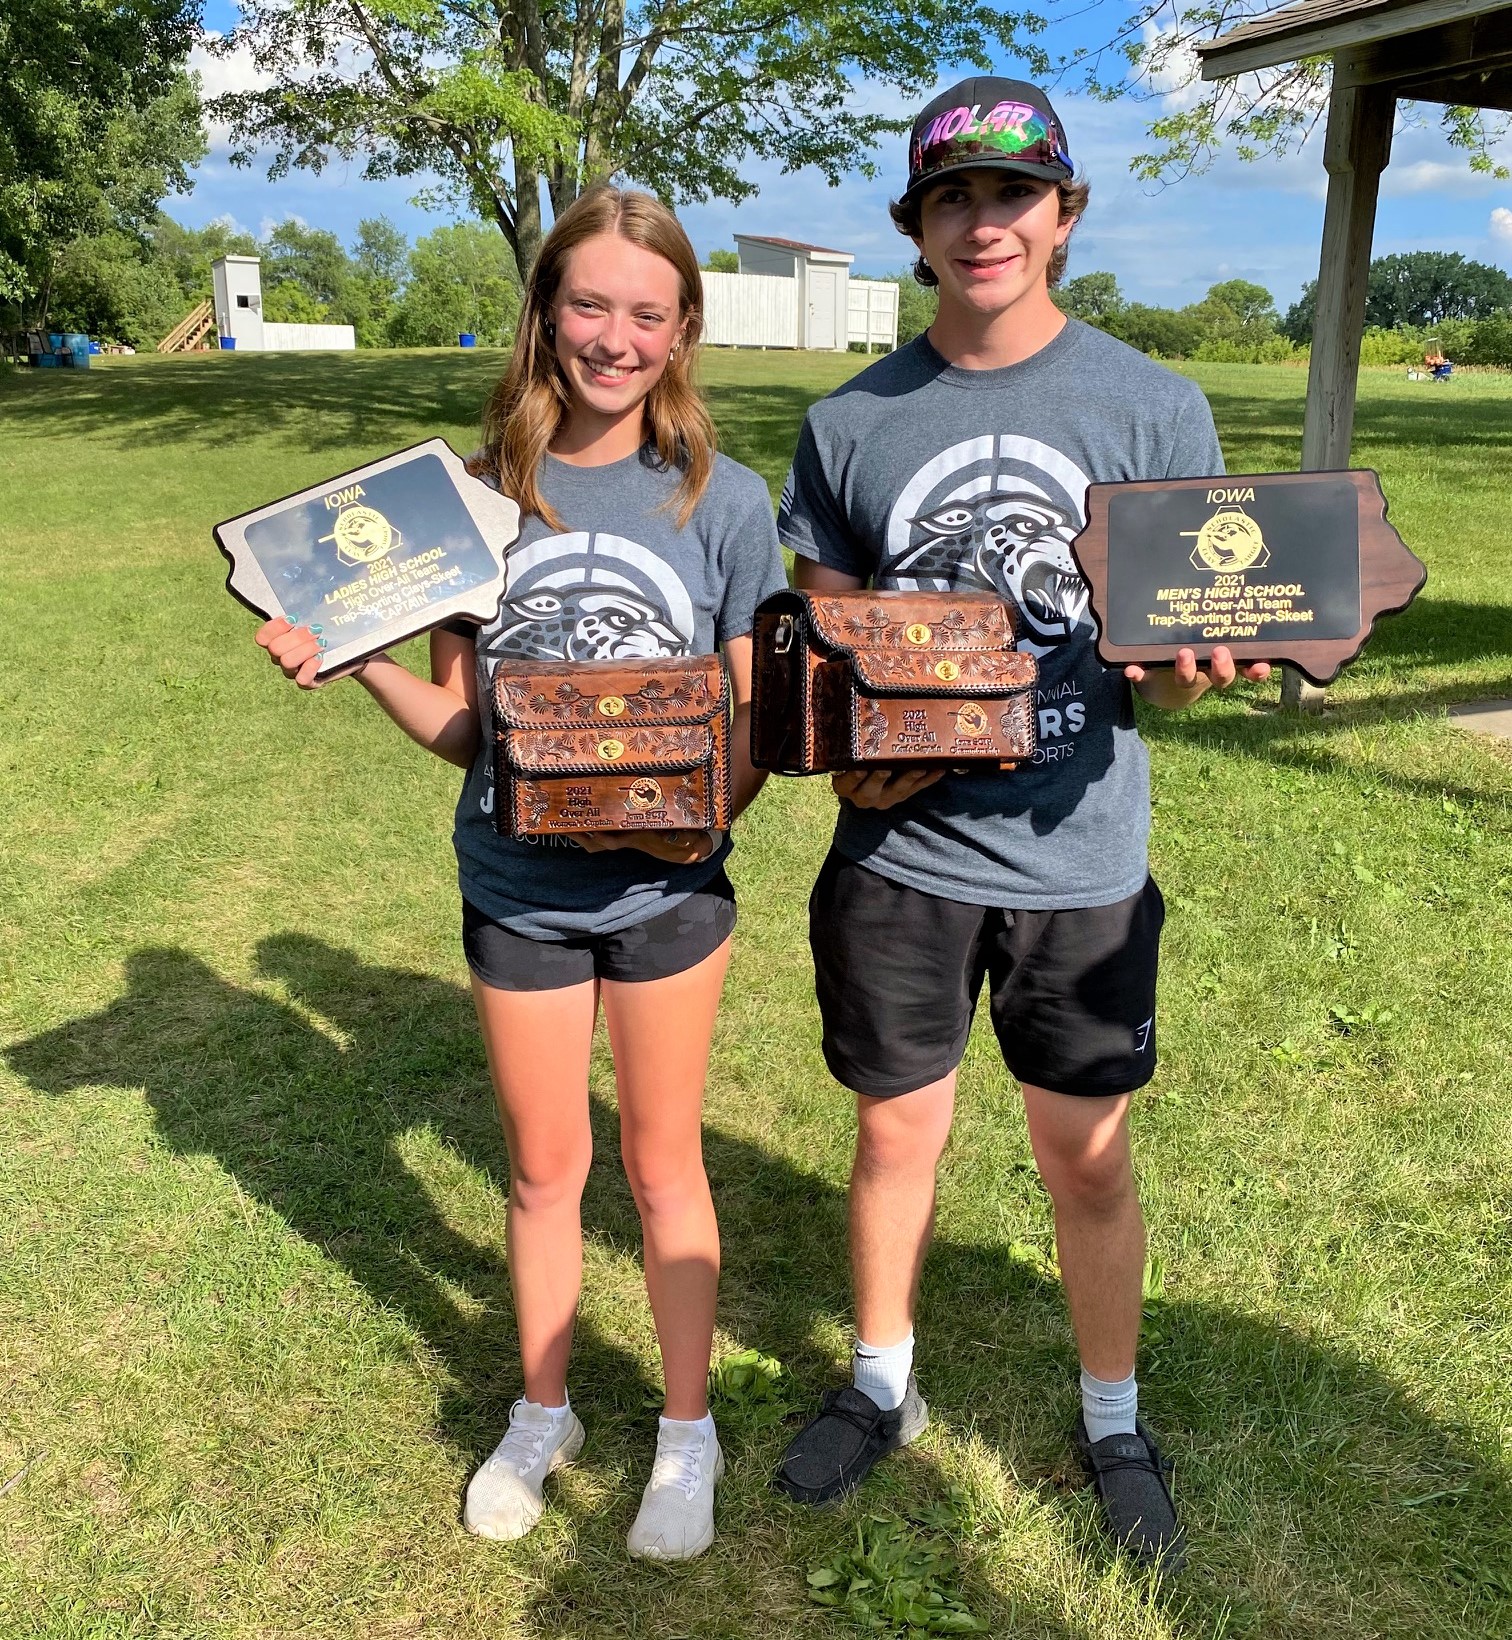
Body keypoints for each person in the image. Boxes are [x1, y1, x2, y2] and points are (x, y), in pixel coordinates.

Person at [771, 77, 1270, 1572]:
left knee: (1089, 1155)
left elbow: (1166, 661)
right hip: (904, 858)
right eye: (953, 198)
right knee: (894, 1135)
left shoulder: (1151, 405)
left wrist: (1188, 674)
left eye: (1014, 194)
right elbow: (822, 638)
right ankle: (882, 1382)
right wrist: (842, 742)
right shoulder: (851, 420)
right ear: (917, 227)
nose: (984, 223)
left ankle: (1113, 1418)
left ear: (1065, 216)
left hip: (1078, 854)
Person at [257, 185, 786, 1561]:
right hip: (518, 892)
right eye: (589, 304)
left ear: (683, 332)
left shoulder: (727, 502)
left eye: (647, 314)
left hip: (670, 898)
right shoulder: (472, 504)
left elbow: (751, 722)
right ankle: (543, 1413)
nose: (616, 338)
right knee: (547, 1175)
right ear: (547, 314)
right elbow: (462, 727)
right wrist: (354, 656)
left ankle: (686, 1432)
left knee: (665, 1171)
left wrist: (689, 821)